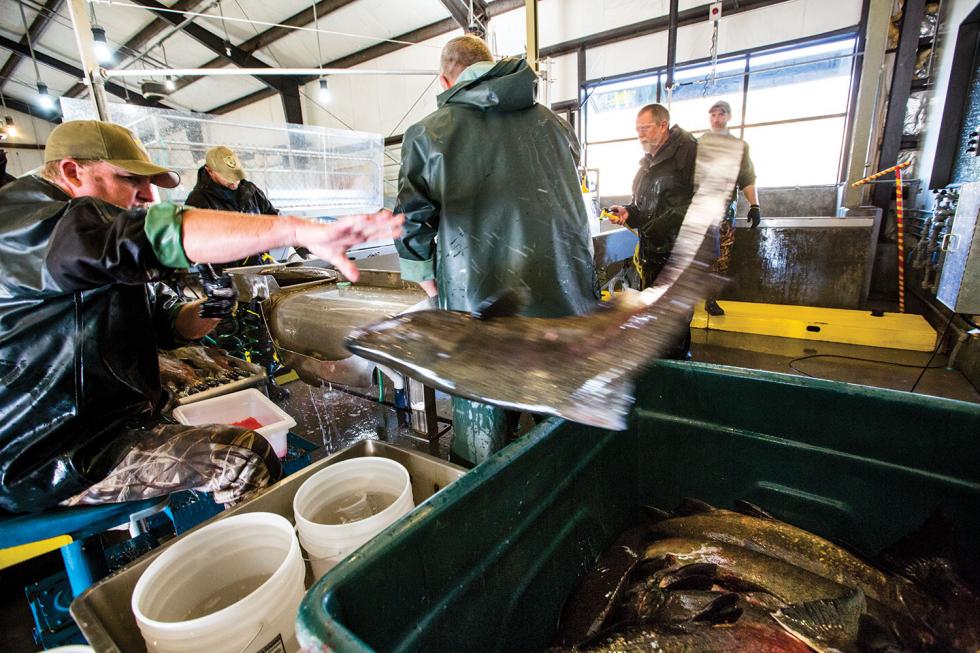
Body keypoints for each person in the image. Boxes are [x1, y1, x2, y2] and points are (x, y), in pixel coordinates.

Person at [0, 120, 402, 513]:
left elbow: (170, 324)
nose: (147, 197)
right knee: (246, 457)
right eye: (130, 181)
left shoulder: (91, 252)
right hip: (53, 455)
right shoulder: (26, 224)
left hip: (107, 424)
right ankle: (257, 562)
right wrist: (299, 231)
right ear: (72, 171)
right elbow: (144, 237)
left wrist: (213, 307)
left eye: (151, 185)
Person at [395, 35, 599, 466]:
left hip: (480, 300)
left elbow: (412, 219)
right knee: (562, 410)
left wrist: (428, 284)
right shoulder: (555, 123)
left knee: (484, 415)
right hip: (565, 291)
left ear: (446, 78)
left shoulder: (428, 133)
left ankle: (486, 496)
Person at [607, 103, 698, 288]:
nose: (640, 135)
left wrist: (664, 223)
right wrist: (628, 213)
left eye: (645, 128)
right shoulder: (647, 164)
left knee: (674, 315)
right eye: (638, 130)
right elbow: (644, 208)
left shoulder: (690, 152)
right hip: (651, 257)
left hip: (678, 257)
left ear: (663, 125)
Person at [184, 145, 290, 271]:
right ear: (209, 171)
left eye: (236, 175)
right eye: (227, 176)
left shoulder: (251, 190)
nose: (234, 181)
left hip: (260, 267)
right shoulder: (198, 200)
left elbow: (273, 217)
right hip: (224, 277)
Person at [703, 99, 761, 316]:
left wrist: (754, 205)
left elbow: (747, 178)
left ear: (728, 117)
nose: (716, 119)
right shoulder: (698, 145)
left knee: (721, 258)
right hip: (698, 213)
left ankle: (711, 299)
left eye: (720, 114)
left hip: (725, 214)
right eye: (713, 115)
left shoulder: (739, 147)